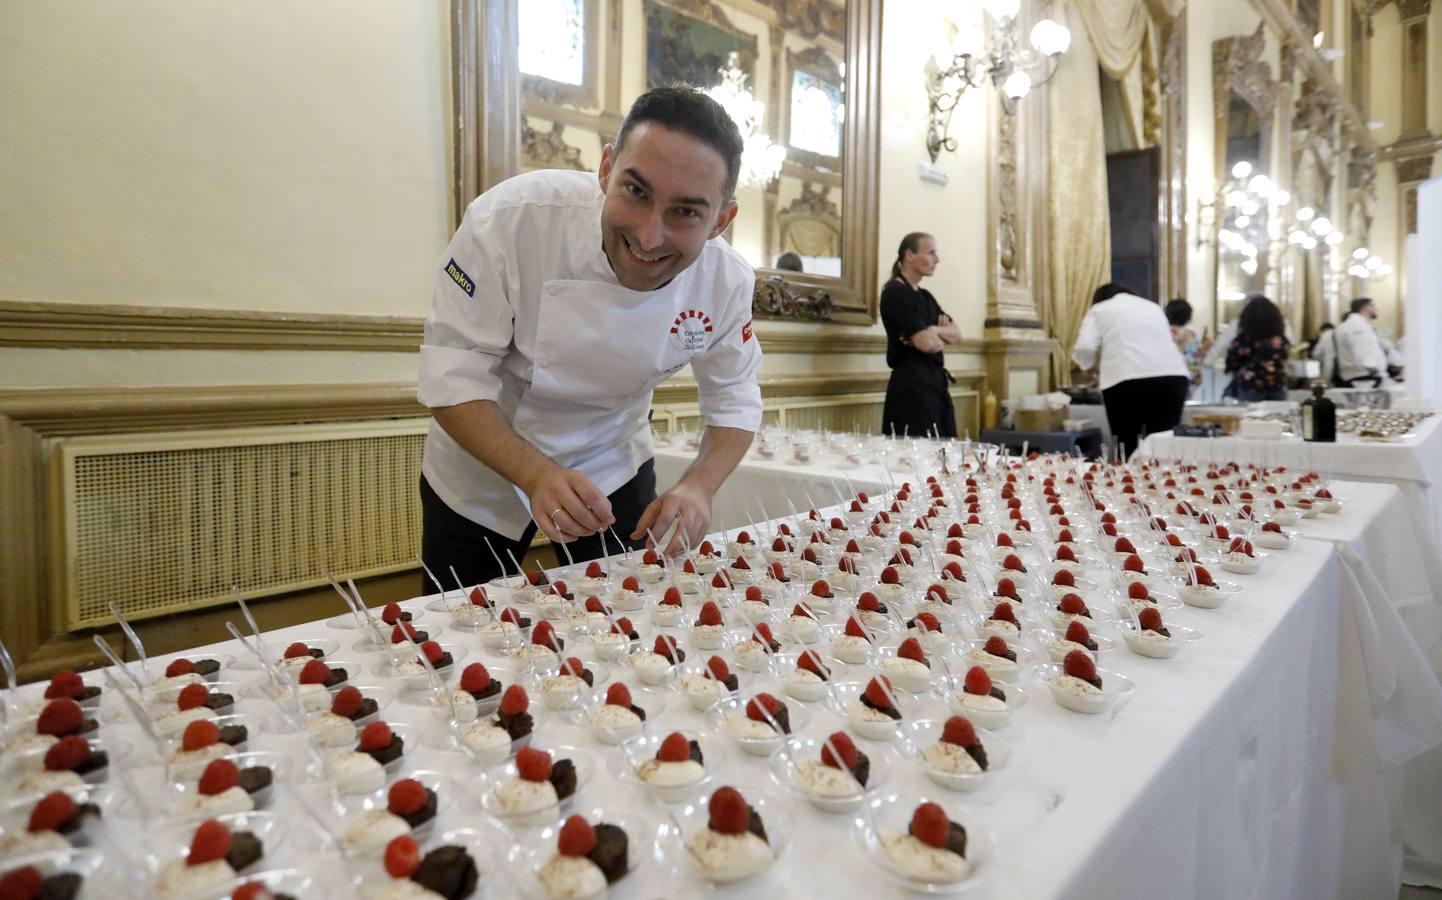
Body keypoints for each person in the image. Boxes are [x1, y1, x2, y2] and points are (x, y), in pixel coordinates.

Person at [417, 87, 763, 593]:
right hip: (481, 465)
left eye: (686, 212)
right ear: (606, 170)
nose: (649, 237)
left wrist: (698, 487)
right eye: (636, 192)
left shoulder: (727, 282)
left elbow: (734, 397)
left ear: (721, 221)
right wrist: (533, 473)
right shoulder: (509, 221)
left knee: (628, 614)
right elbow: (452, 375)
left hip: (611, 459)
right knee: (457, 626)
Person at [1072, 283, 1190, 458]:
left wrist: (1087, 366)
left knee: (1126, 444)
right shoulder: (1153, 307)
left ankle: (1130, 482)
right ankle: (1164, 483)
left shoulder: (1101, 308)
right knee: (1163, 445)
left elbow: (1085, 347)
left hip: (1127, 378)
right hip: (1173, 376)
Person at [879, 232, 962, 438]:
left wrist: (934, 331)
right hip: (912, 389)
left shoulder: (925, 297)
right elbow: (926, 344)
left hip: (936, 385)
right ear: (909, 255)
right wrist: (935, 337)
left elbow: (957, 334)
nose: (937, 259)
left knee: (946, 451)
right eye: (931, 253)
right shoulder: (895, 293)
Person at [1224, 294, 1291, 401]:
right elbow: (1285, 360)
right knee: (1278, 415)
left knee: (1250, 416)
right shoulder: (1281, 340)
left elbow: (1232, 362)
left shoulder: (1243, 340)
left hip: (1250, 386)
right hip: (1277, 386)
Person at [1335, 297, 1389, 387]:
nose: (1376, 309)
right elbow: (1361, 348)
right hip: (1364, 376)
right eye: (1373, 305)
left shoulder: (1360, 324)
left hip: (1366, 375)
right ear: (1365, 307)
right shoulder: (1356, 325)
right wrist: (1372, 368)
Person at [1165, 298, 1206, 396]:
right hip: (1182, 379)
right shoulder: (1189, 335)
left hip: (1163, 377)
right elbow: (1193, 361)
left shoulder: (1162, 332)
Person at [1308, 322, 1340, 386]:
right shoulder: (1339, 333)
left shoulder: (1326, 335)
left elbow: (1316, 354)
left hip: (1329, 369)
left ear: (1322, 330)